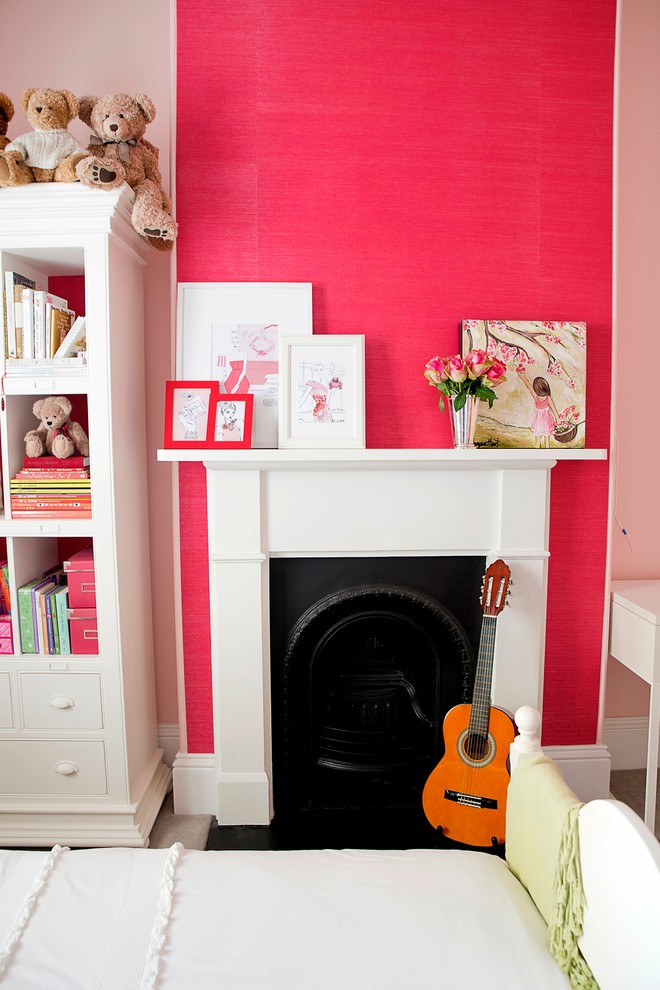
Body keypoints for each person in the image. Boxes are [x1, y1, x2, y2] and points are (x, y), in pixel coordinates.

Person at [519, 371, 559, 448]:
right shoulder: (539, 397)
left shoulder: (546, 398)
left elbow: (554, 409)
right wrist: (524, 378)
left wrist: (557, 419)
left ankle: (545, 451)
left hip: (544, 421)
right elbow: (529, 387)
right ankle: (538, 451)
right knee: (540, 437)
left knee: (545, 437)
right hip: (541, 421)